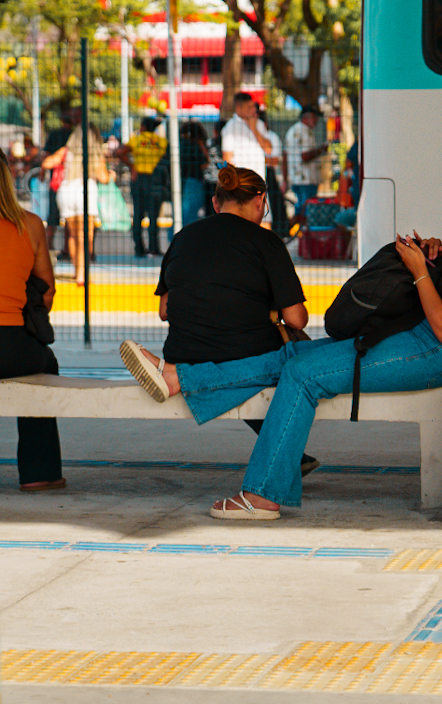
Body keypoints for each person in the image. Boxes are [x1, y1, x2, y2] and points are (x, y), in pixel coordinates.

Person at [120, 163, 442, 520]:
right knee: (292, 352)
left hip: (439, 350)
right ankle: (177, 378)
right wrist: (435, 254)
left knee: (302, 374)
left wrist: (420, 269)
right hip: (420, 340)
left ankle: (262, 495)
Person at [130, 164, 319, 474]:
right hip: (246, 356)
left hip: (183, 353)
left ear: (216, 203)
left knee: (235, 360)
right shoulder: (267, 243)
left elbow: (165, 311)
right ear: (260, 201)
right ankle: (285, 458)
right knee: (294, 358)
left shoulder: (182, 237)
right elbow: (297, 320)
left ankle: (294, 457)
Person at [0, 142, 65, 491]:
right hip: (13, 350)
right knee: (45, 364)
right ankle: (41, 473)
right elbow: (47, 292)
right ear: (5, 174)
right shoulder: (30, 224)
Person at [43, 106, 100, 283]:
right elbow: (103, 176)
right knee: (85, 236)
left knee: (73, 235)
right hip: (84, 190)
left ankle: (78, 272)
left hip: (65, 191)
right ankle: (83, 273)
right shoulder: (92, 152)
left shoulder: (65, 150)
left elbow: (46, 162)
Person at [221, 93, 285, 235]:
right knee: (242, 225)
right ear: (239, 107)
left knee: (265, 222)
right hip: (242, 186)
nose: (254, 109)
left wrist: (254, 128)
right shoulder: (230, 128)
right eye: (250, 106)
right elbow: (228, 160)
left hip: (260, 184)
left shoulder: (258, 124)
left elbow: (269, 149)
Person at [125, 115, 169, 257]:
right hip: (155, 179)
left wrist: (132, 166)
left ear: (143, 126)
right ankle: (154, 248)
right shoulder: (161, 142)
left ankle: (139, 248)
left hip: (138, 178)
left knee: (138, 214)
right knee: (153, 216)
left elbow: (119, 151)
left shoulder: (137, 139)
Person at [283, 105, 329, 211]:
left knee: (301, 211)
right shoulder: (303, 131)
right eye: (315, 116)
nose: (317, 120)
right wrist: (321, 149)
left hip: (297, 179)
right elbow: (304, 156)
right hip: (306, 181)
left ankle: (292, 225)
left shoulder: (292, 130)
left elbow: (285, 155)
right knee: (305, 212)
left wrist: (285, 179)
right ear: (306, 117)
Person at [173, 120, 212, 242]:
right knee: (190, 215)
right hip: (194, 180)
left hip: (180, 181)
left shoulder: (178, 143)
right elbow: (204, 162)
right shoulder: (195, 145)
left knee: (181, 214)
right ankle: (190, 240)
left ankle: (177, 239)